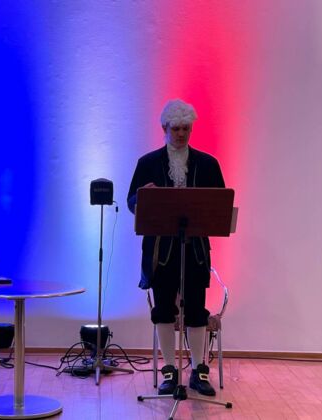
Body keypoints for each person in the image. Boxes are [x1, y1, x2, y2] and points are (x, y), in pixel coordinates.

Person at [127, 99, 225, 396]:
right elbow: (132, 201)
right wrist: (142, 197)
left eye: (186, 128)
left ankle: (197, 370)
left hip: (195, 250)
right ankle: (169, 370)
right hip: (161, 251)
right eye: (176, 129)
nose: (181, 134)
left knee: (196, 309)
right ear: (164, 129)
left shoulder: (208, 164)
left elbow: (220, 203)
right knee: (163, 309)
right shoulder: (147, 163)